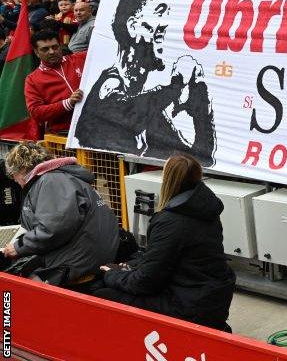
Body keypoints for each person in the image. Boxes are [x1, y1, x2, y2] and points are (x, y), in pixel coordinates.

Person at [76, 0, 216, 164]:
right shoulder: (109, 87)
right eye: (160, 12)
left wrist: (200, 103)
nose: (168, 24)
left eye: (170, 14)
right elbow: (130, 110)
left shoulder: (150, 106)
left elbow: (201, 160)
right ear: (133, 26)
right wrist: (176, 86)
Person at [95, 154, 234, 329]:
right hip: (212, 298)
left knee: (102, 293)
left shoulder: (170, 221)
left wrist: (112, 274)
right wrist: (131, 267)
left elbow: (145, 283)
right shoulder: (206, 208)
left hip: (190, 305)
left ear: (167, 179)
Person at [2, 142, 119, 288]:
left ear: (23, 169)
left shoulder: (51, 181)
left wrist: (18, 246)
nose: (14, 180)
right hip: (88, 255)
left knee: (14, 288)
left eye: (14, 174)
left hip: (78, 262)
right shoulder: (61, 177)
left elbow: (54, 228)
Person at [24, 28, 87, 137]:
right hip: (63, 136)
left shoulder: (81, 59)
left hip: (96, 128)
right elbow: (36, 112)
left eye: (55, 47)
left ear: (60, 45)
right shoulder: (32, 80)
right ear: (36, 52)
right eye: (45, 49)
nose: (52, 52)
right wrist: (67, 103)